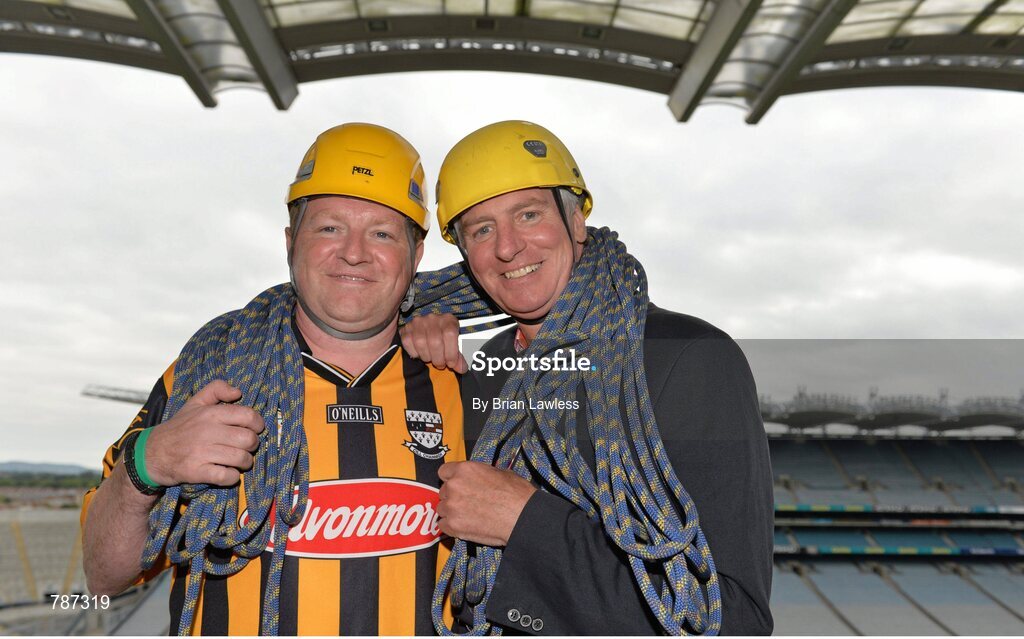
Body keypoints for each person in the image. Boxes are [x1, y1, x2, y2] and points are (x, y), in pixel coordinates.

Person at [80, 123, 465, 636]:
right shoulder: (203, 378)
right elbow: (104, 577)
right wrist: (148, 464)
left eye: (382, 233)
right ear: (290, 242)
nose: (354, 252)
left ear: (415, 257)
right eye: (329, 227)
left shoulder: (460, 383)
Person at [401, 120, 774, 635]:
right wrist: (408, 348)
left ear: (576, 221)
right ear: (466, 253)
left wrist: (526, 523)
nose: (507, 247)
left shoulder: (688, 358)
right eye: (481, 229)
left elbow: (731, 620)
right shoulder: (480, 370)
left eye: (528, 214)